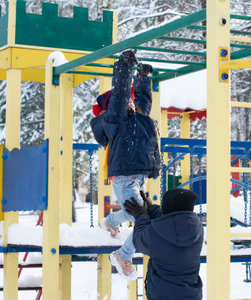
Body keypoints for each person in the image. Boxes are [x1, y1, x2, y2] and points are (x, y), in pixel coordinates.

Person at [90, 50, 160, 280]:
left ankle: (109, 222)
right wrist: (123, 66)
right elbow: (120, 95)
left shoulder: (140, 117)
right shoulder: (116, 119)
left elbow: (143, 100)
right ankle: (123, 255)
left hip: (139, 177)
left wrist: (143, 77)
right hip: (124, 177)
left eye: (132, 100)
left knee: (137, 215)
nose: (131, 101)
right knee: (144, 218)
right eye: (127, 101)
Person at [124, 188, 204, 300]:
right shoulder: (197, 227)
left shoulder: (156, 232)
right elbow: (173, 222)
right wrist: (152, 209)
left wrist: (140, 215)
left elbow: (139, 241)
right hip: (190, 294)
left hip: (162, 294)